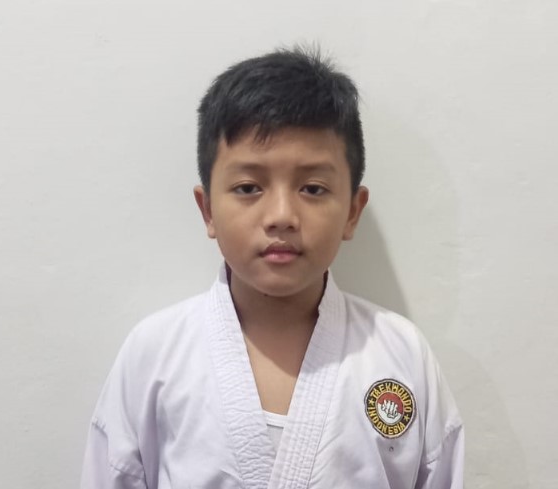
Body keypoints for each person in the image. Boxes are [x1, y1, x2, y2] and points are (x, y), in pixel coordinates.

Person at [81, 47, 464, 489]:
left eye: (313, 188)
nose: (282, 215)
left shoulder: (400, 354)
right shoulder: (155, 355)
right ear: (208, 210)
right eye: (248, 187)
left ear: (352, 212)